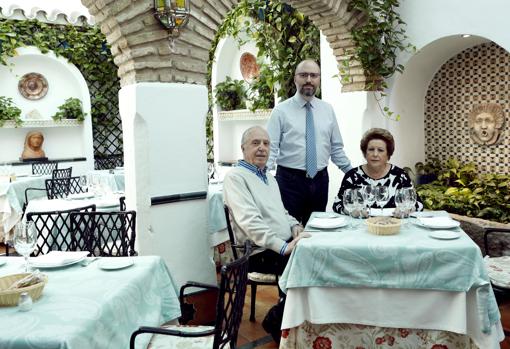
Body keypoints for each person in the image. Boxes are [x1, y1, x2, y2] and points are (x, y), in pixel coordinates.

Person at [223, 126, 309, 342]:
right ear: (243, 148)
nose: (262, 148)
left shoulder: (268, 177)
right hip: (257, 252)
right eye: (255, 143)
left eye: (266, 143)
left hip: (279, 245)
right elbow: (250, 222)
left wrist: (294, 226)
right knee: (306, 264)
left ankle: (291, 318)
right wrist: (283, 246)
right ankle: (277, 321)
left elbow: (282, 212)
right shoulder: (236, 177)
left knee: (315, 256)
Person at [267, 59, 352, 226]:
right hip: (289, 181)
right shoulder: (280, 111)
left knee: (317, 230)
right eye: (303, 75)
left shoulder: (327, 110)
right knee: (287, 230)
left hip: (320, 181)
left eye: (314, 75)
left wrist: (353, 173)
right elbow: (271, 148)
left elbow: (336, 149)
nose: (309, 80)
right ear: (295, 79)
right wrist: (262, 177)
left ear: (319, 79)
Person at [332, 128, 423, 214]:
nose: (375, 154)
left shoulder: (400, 175)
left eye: (380, 150)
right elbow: (337, 205)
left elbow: (418, 204)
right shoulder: (352, 176)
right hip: (360, 226)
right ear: (365, 153)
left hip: (392, 226)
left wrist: (408, 209)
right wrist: (351, 211)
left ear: (388, 154)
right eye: (371, 149)